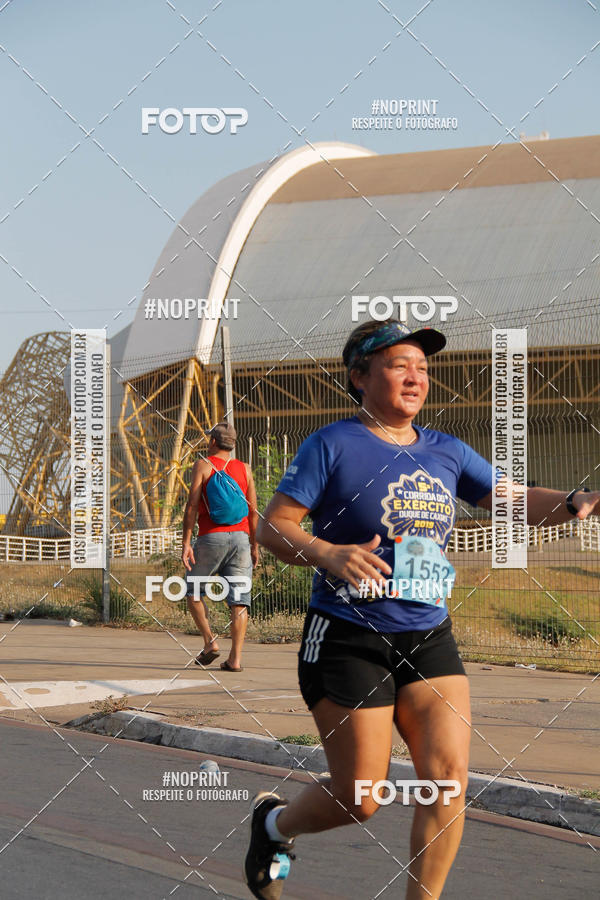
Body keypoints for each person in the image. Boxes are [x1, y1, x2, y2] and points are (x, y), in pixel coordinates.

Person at [244, 319, 600, 900]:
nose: (415, 377)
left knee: (448, 781)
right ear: (360, 377)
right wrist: (327, 552)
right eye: (398, 365)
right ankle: (273, 825)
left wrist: (574, 500)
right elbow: (273, 526)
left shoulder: (447, 451)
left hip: (428, 634)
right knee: (360, 798)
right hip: (348, 634)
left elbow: (511, 499)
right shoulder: (332, 444)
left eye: (423, 368)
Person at [181, 422, 259, 672]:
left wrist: (186, 542)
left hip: (211, 538)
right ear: (232, 444)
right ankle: (235, 660)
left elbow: (192, 505)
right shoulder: (245, 469)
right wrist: (255, 545)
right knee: (239, 601)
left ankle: (210, 642)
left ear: (213, 441)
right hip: (241, 540)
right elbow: (253, 510)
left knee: (193, 590)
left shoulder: (203, 465)